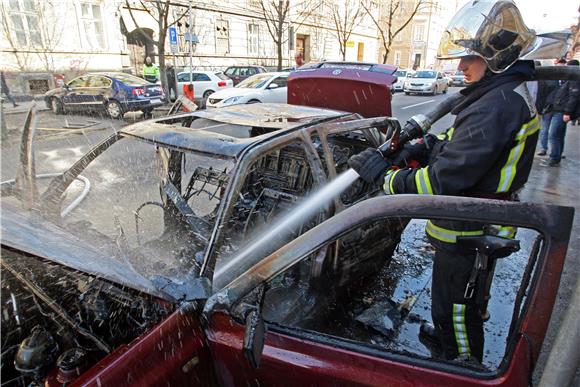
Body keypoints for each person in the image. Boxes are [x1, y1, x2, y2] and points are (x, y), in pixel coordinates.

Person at [348, 0, 559, 363]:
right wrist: (423, 146)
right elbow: (461, 150)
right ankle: (446, 335)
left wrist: (387, 179)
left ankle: (460, 363)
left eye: (470, 59)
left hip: (472, 225)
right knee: (455, 296)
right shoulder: (500, 97)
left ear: (497, 60)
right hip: (471, 220)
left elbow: (444, 182)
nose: (461, 66)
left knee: (458, 306)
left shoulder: (497, 105)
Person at [540, 59, 580, 167]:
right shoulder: (571, 79)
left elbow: (574, 96)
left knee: (554, 135)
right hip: (560, 110)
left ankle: (554, 158)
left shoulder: (574, 80)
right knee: (559, 135)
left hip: (561, 111)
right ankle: (556, 157)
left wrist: (567, 112)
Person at [536, 58, 566, 157]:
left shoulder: (567, 80)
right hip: (548, 108)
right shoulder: (549, 79)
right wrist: (540, 108)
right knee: (545, 130)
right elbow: (542, 94)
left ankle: (557, 152)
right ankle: (543, 148)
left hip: (560, 109)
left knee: (555, 132)